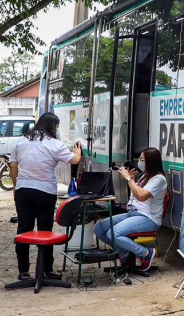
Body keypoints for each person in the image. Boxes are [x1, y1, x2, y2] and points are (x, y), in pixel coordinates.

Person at [8, 112, 81, 280]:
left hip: (23, 190)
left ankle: (23, 271)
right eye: (56, 126)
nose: (57, 129)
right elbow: (74, 161)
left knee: (23, 230)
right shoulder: (54, 144)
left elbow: (13, 165)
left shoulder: (21, 141)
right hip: (45, 192)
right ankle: (47, 269)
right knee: (45, 230)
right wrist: (77, 151)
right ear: (52, 127)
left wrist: (15, 185)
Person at [93, 147, 166, 271]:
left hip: (148, 218)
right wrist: (132, 180)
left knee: (113, 233)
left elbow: (142, 196)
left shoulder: (159, 179)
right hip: (133, 214)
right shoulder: (145, 176)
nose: (140, 162)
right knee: (99, 228)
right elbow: (136, 194)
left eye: (143, 160)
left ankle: (144, 253)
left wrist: (128, 179)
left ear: (151, 162)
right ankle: (123, 253)